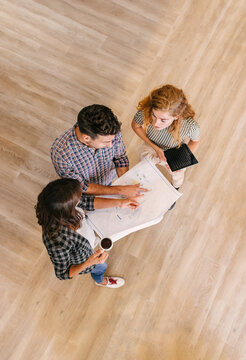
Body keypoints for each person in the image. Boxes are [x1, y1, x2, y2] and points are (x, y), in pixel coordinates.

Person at [35, 178, 141, 288]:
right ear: (67, 209)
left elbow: (87, 202)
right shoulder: (57, 240)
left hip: (87, 242)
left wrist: (120, 203)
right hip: (85, 259)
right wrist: (90, 262)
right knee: (101, 267)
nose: (81, 199)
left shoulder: (63, 203)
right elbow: (63, 273)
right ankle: (100, 281)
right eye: (78, 199)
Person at [51, 104, 147, 197]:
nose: (110, 145)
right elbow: (82, 187)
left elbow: (120, 157)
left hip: (109, 181)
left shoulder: (110, 130)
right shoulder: (61, 154)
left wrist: (126, 183)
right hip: (88, 194)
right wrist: (120, 190)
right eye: (106, 142)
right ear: (86, 138)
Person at [131, 84, 200, 190]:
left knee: (177, 175)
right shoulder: (147, 111)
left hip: (174, 151)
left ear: (176, 117)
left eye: (163, 120)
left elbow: (195, 141)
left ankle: (175, 188)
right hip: (152, 145)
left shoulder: (190, 126)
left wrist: (181, 160)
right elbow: (135, 125)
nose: (155, 123)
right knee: (144, 163)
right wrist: (155, 148)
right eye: (154, 115)